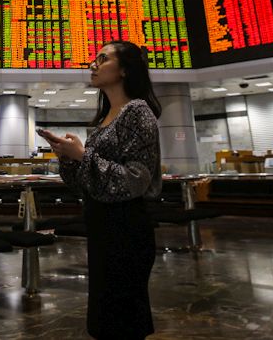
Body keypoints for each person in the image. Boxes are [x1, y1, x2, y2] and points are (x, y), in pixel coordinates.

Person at [38, 40, 162, 340]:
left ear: (124, 70)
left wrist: (83, 156)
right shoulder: (106, 117)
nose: (93, 64)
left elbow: (135, 179)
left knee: (123, 319)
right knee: (105, 316)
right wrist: (68, 157)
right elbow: (86, 183)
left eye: (103, 59)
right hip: (103, 225)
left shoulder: (137, 112)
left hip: (126, 227)